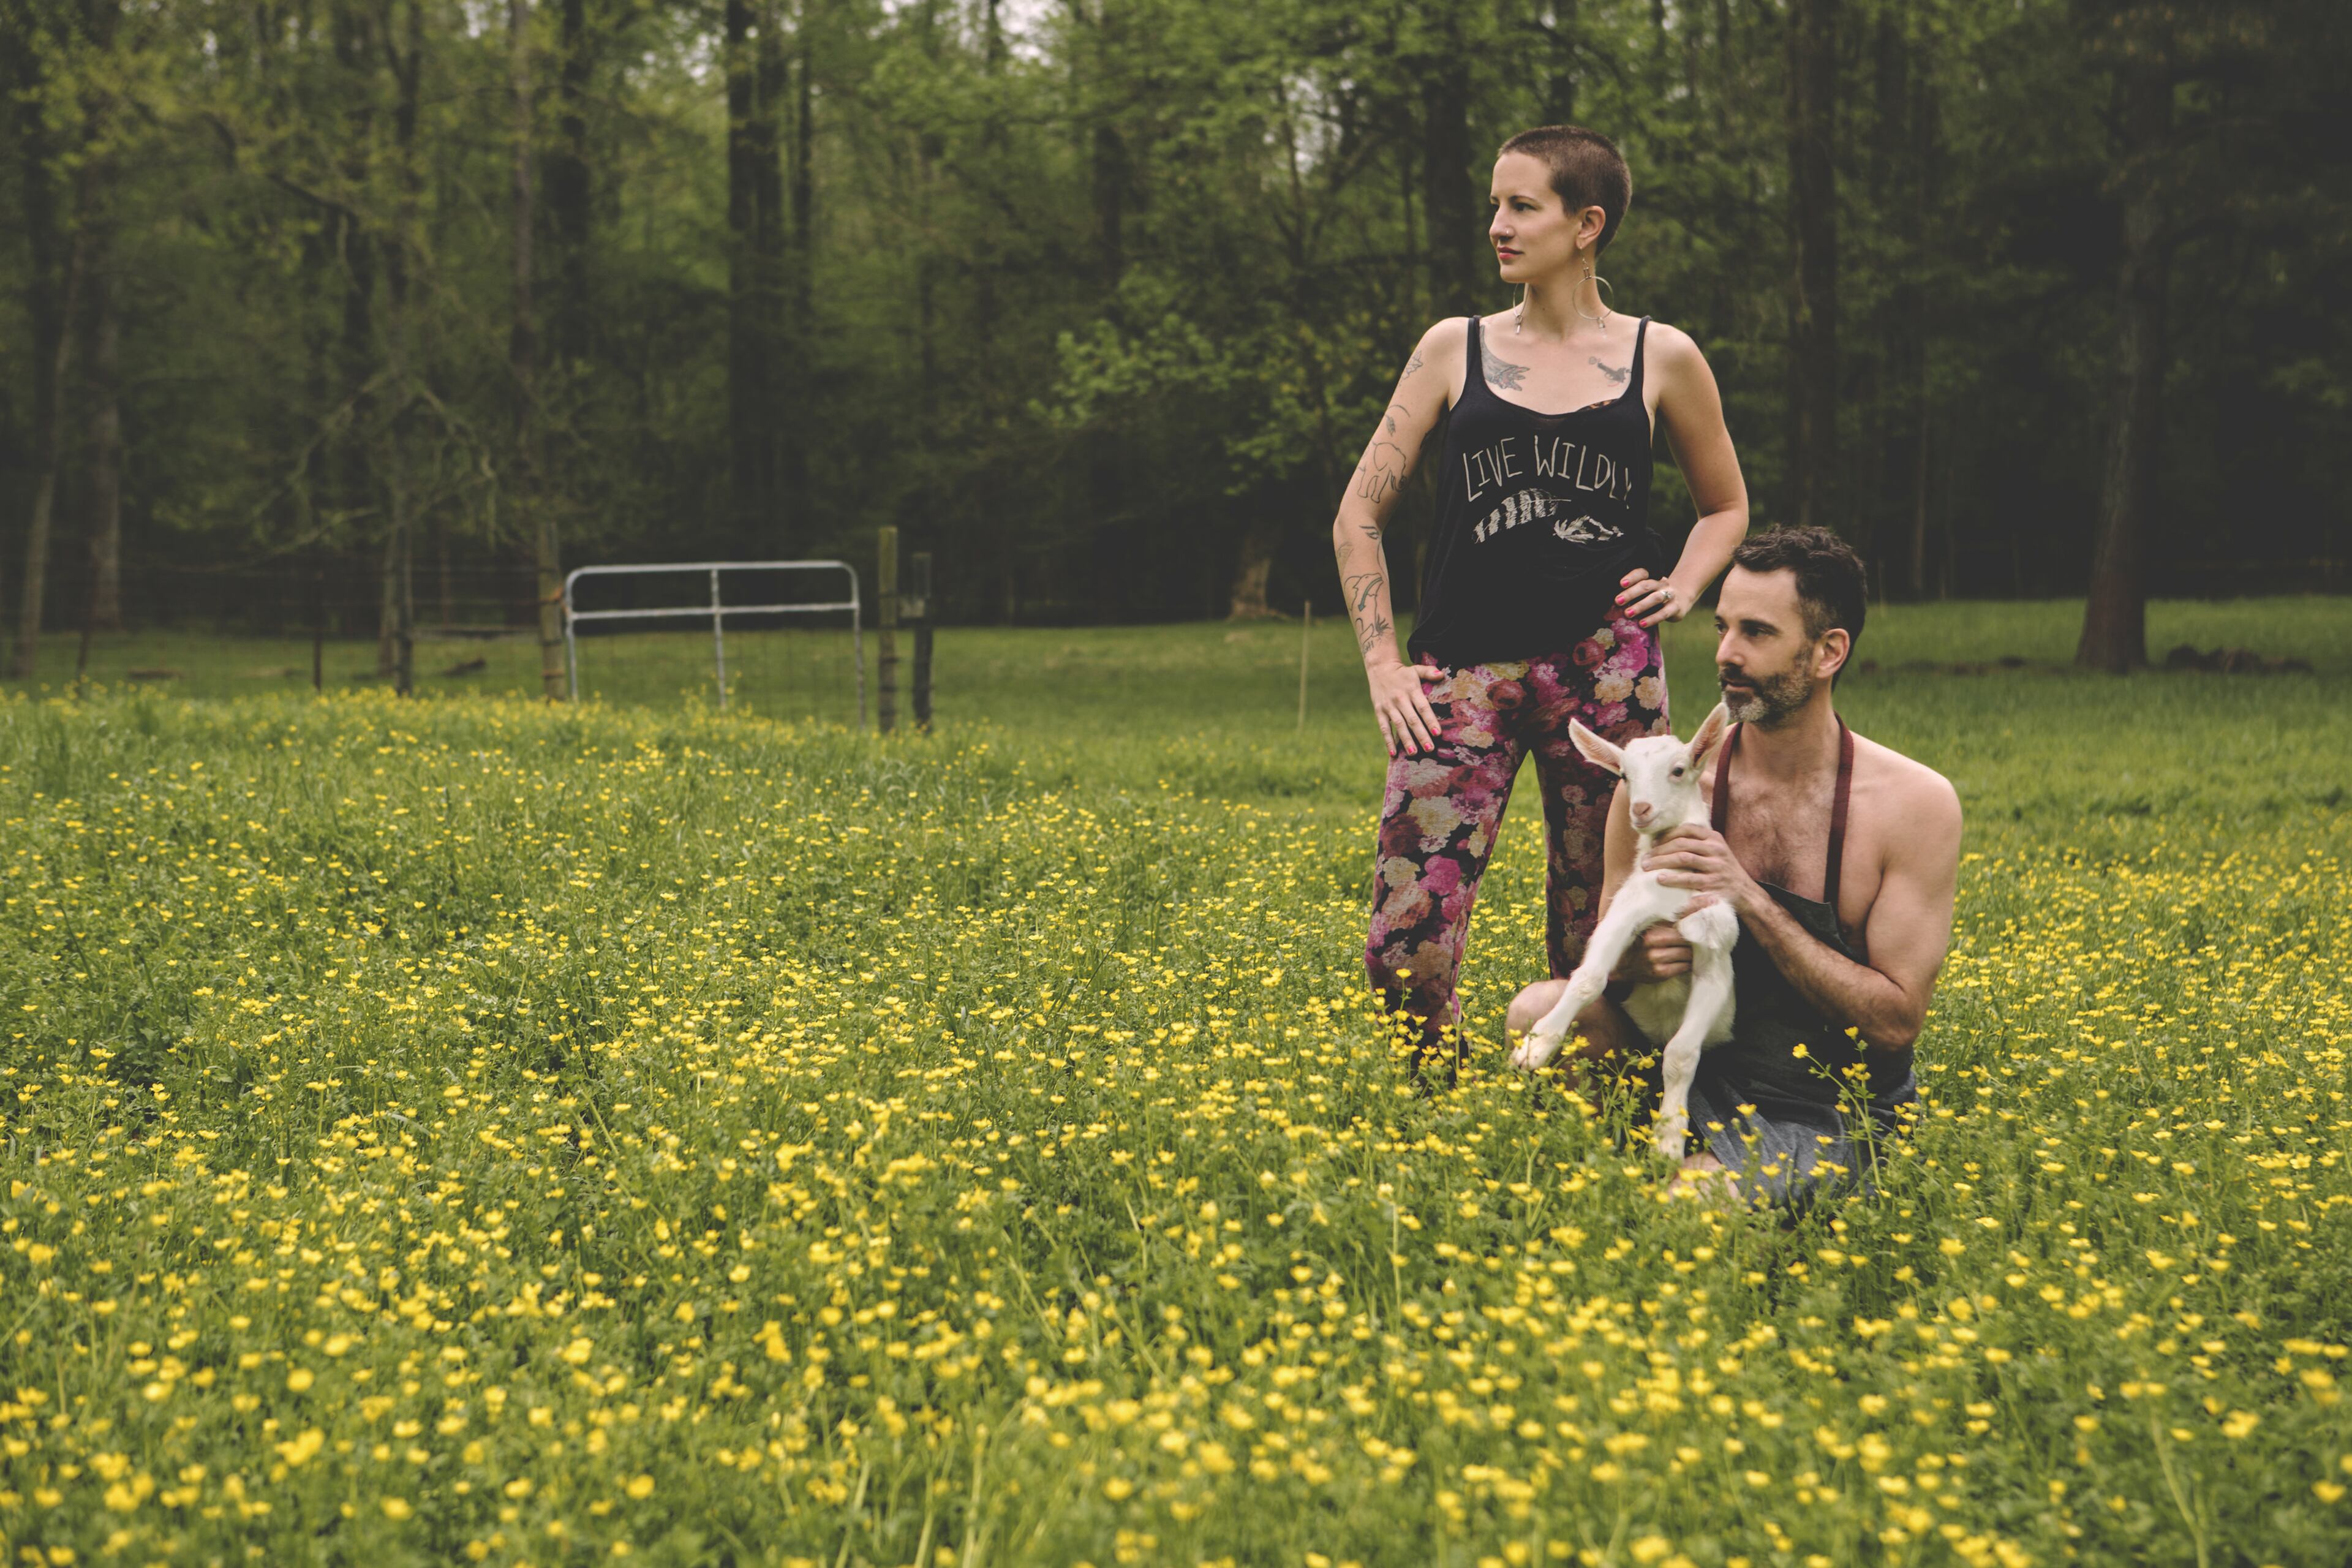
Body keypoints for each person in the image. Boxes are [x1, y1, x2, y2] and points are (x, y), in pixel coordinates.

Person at [1333, 126, 1749, 1076]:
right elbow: (1358, 515)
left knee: (1605, 931)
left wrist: (1686, 582)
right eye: (1495, 204)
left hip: (1608, 674)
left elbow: (1725, 505)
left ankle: (1591, 1117)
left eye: (1522, 206)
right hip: (1460, 673)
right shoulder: (1454, 349)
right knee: (1406, 946)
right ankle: (1436, 1112)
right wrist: (1382, 661)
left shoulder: (1662, 356)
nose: (1497, 226)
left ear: (1588, 224)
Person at [1504, 529, 1964, 1202]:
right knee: (1537, 1011)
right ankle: (1609, 1184)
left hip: (1827, 1107)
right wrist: (1638, 957)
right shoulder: (1659, 785)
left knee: (1690, 1211)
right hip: (1684, 1062)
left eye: (1756, 632)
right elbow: (1606, 949)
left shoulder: (1912, 805)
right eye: (1722, 628)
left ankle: (1679, 1192)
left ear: (1829, 651)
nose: (1726, 654)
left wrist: (1748, 898)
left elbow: (1894, 1024)